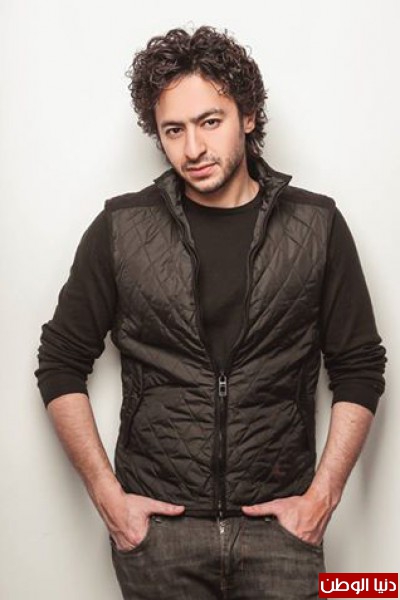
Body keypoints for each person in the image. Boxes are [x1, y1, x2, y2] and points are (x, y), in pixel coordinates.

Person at [35, 25, 386, 600]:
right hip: (158, 536)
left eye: (210, 121)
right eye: (174, 130)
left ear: (247, 115)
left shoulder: (316, 226)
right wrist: (109, 499)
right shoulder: (121, 229)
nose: (193, 148)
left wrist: (322, 498)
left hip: (281, 534)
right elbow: (60, 364)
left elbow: (359, 367)